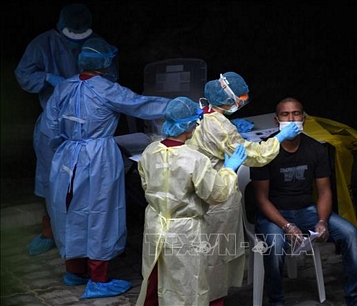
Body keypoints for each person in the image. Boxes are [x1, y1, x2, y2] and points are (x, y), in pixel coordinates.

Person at [40, 37, 170, 299]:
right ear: (105, 62)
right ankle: (98, 279)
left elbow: (49, 128)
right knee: (101, 213)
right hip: (97, 157)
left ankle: (74, 270)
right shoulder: (108, 89)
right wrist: (185, 108)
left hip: (66, 157)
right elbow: (143, 105)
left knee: (69, 211)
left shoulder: (63, 87)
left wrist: (61, 151)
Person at [250, 97, 357, 306]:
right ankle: (276, 302)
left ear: (304, 118)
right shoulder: (265, 150)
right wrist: (286, 225)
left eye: (296, 114)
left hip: (306, 211)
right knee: (274, 245)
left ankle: (356, 299)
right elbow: (261, 199)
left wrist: (321, 221)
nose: (291, 119)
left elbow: (325, 191)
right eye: (285, 115)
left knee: (349, 233)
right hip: (274, 215)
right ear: (276, 121)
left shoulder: (315, 148)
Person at [186, 72, 301, 305]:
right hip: (216, 196)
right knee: (214, 261)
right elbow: (255, 155)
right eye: (240, 99)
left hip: (198, 191)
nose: (240, 103)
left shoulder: (200, 114)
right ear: (228, 100)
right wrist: (280, 137)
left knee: (202, 258)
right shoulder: (220, 128)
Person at [14, 3, 117, 255]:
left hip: (89, 126)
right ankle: (49, 229)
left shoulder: (98, 45)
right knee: (50, 179)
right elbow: (24, 73)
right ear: (60, 26)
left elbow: (113, 81)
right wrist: (48, 77)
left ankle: (86, 239)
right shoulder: (43, 44)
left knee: (86, 184)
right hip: (54, 124)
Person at [135, 97, 248, 305]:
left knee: (155, 279)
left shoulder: (150, 152)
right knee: (187, 285)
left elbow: (146, 184)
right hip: (185, 231)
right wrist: (228, 170)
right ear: (190, 126)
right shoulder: (195, 159)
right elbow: (216, 194)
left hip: (156, 224)